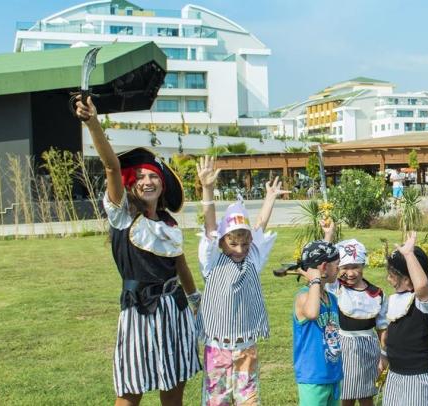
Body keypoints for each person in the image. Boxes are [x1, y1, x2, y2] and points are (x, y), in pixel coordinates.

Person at [75, 96, 201, 406]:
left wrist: (195, 301)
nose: (147, 181)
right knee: (131, 390)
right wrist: (93, 122)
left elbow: (181, 266)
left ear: (162, 184)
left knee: (174, 390)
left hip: (174, 310)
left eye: (153, 175)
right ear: (131, 184)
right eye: (141, 176)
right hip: (139, 311)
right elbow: (111, 165)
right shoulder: (123, 215)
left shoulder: (169, 224)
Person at [195, 156, 287, 405]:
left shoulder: (252, 259)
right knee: (217, 400)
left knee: (249, 399)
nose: (240, 249)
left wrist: (269, 198)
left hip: (246, 346)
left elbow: (259, 226)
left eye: (245, 244)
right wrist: (207, 189)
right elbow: (210, 227)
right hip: (218, 348)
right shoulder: (212, 261)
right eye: (233, 244)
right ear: (222, 242)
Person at [321, 221, 389, 406]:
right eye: (345, 268)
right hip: (343, 348)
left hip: (369, 350)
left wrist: (384, 354)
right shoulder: (336, 288)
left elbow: (382, 328)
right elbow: (322, 267)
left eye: (355, 267)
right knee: (347, 396)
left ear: (363, 265)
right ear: (337, 268)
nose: (350, 273)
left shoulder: (376, 294)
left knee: (367, 396)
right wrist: (328, 236)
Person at [381, 232, 428, 406]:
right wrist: (384, 354)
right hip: (395, 372)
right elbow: (390, 332)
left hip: (417, 375)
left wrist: (409, 255)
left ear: (408, 280)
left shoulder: (424, 301)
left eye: (392, 275)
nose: (388, 279)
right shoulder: (395, 298)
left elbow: (421, 285)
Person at [287, 241, 344, 405]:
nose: (339, 269)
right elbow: (312, 313)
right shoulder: (303, 297)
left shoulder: (331, 298)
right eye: (337, 264)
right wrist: (315, 280)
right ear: (324, 267)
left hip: (332, 374)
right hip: (313, 377)